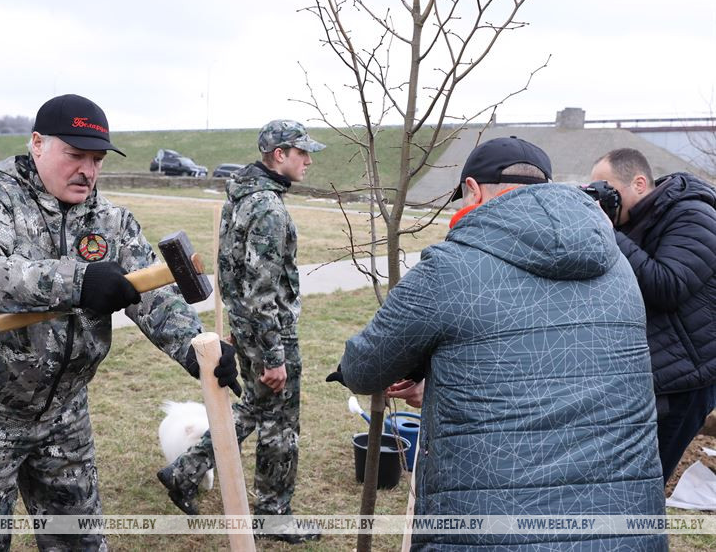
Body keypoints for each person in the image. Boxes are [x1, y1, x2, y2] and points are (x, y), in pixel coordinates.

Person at [0, 93, 240, 551]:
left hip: (63, 412)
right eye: (74, 155)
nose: (87, 170)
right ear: (37, 144)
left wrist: (197, 348)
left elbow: (152, 295)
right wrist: (76, 280)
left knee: (79, 544)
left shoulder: (109, 221)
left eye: (96, 159)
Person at [333, 137, 666, 550]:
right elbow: (551, 358)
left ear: (472, 190)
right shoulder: (618, 267)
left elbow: (365, 368)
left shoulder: (450, 267)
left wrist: (348, 371)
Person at [157, 120, 324, 544]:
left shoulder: (243, 195)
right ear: (278, 155)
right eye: (300, 152)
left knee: (252, 409)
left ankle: (184, 471)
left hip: (249, 328)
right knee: (280, 426)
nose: (308, 160)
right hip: (269, 332)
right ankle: (274, 515)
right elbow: (261, 285)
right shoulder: (266, 207)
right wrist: (273, 355)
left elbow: (238, 277)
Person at [591, 148, 716, 483]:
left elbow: (668, 286)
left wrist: (608, 233)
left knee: (645, 482)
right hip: (650, 373)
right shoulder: (642, 220)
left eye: (607, 189)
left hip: (684, 382)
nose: (603, 199)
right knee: (620, 479)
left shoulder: (694, 214)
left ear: (640, 183)